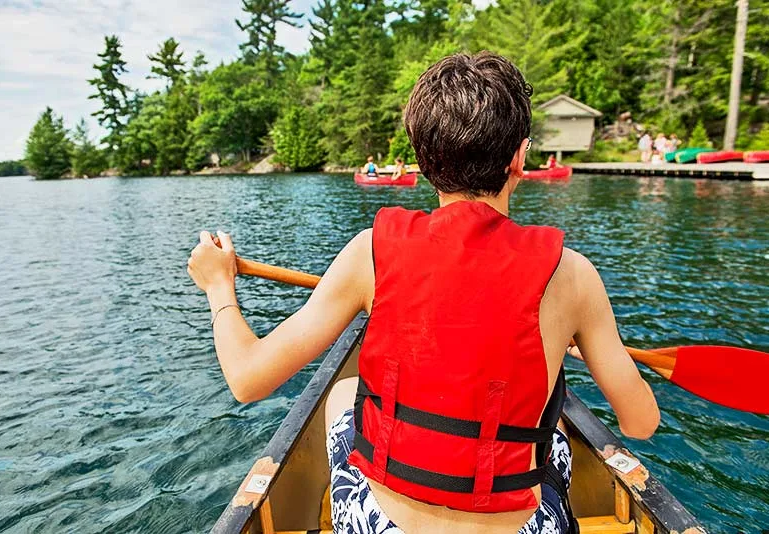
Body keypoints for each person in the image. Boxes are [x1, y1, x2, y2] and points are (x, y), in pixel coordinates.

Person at [187, 52, 659, 534]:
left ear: (421, 159)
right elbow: (640, 423)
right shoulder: (573, 275)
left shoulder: (369, 252)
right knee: (554, 428)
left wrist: (218, 285)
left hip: (388, 526)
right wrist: (587, 340)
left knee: (342, 394)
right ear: (520, 157)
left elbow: (247, 379)